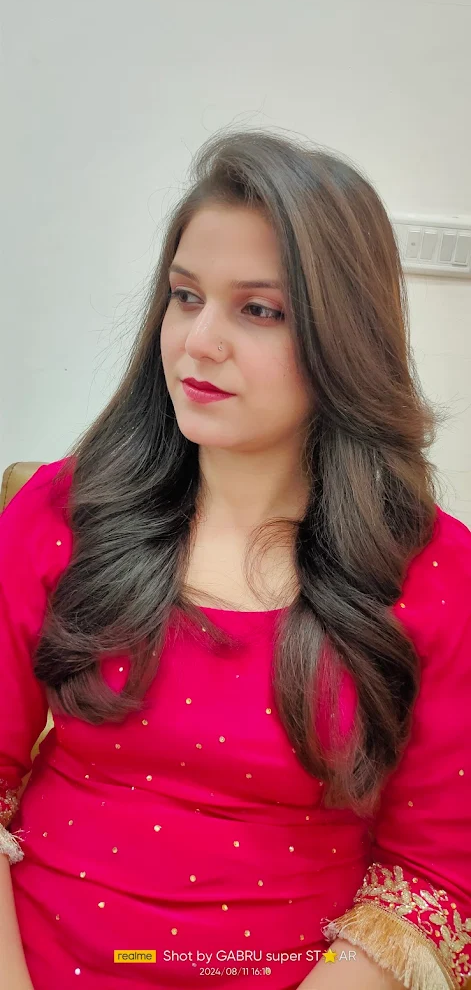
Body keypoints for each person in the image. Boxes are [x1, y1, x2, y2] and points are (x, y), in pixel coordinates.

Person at [0, 128, 470, 990]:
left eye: (259, 310)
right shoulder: (66, 510)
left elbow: (432, 875)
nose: (198, 343)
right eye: (185, 297)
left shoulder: (436, 573)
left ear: (344, 335)